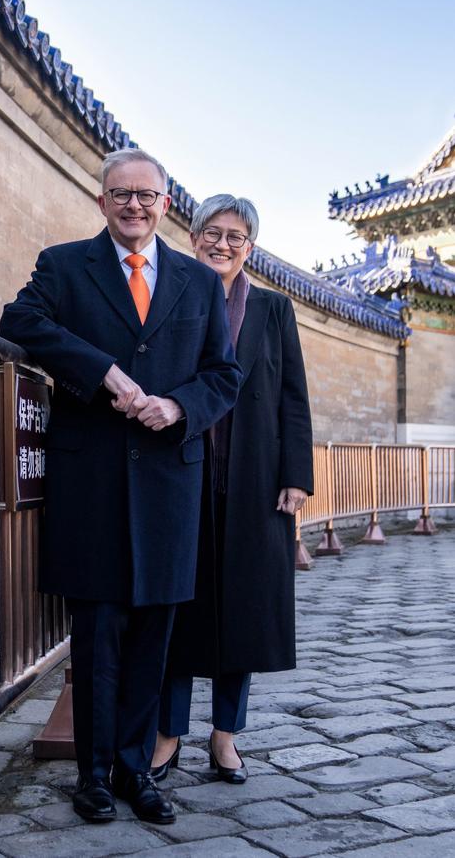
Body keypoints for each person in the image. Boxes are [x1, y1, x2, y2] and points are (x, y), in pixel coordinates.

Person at [0, 151, 240, 824]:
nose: (134, 205)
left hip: (169, 485)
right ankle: (93, 776)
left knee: (153, 641)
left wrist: (179, 407)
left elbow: (224, 375)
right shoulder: (65, 265)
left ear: (167, 205)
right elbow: (18, 322)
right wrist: (102, 370)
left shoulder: (197, 280)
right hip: (93, 482)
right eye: (120, 193)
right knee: (97, 635)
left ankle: (137, 771)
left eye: (147, 195)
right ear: (101, 200)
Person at [151, 194, 313, 784]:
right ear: (192, 238)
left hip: (254, 484)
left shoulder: (273, 310)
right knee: (176, 608)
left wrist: (297, 473)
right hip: (182, 475)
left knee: (242, 615)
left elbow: (293, 394)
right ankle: (167, 736)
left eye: (235, 236)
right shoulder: (172, 296)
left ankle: (225, 738)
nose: (223, 244)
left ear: (251, 247)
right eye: (212, 233)